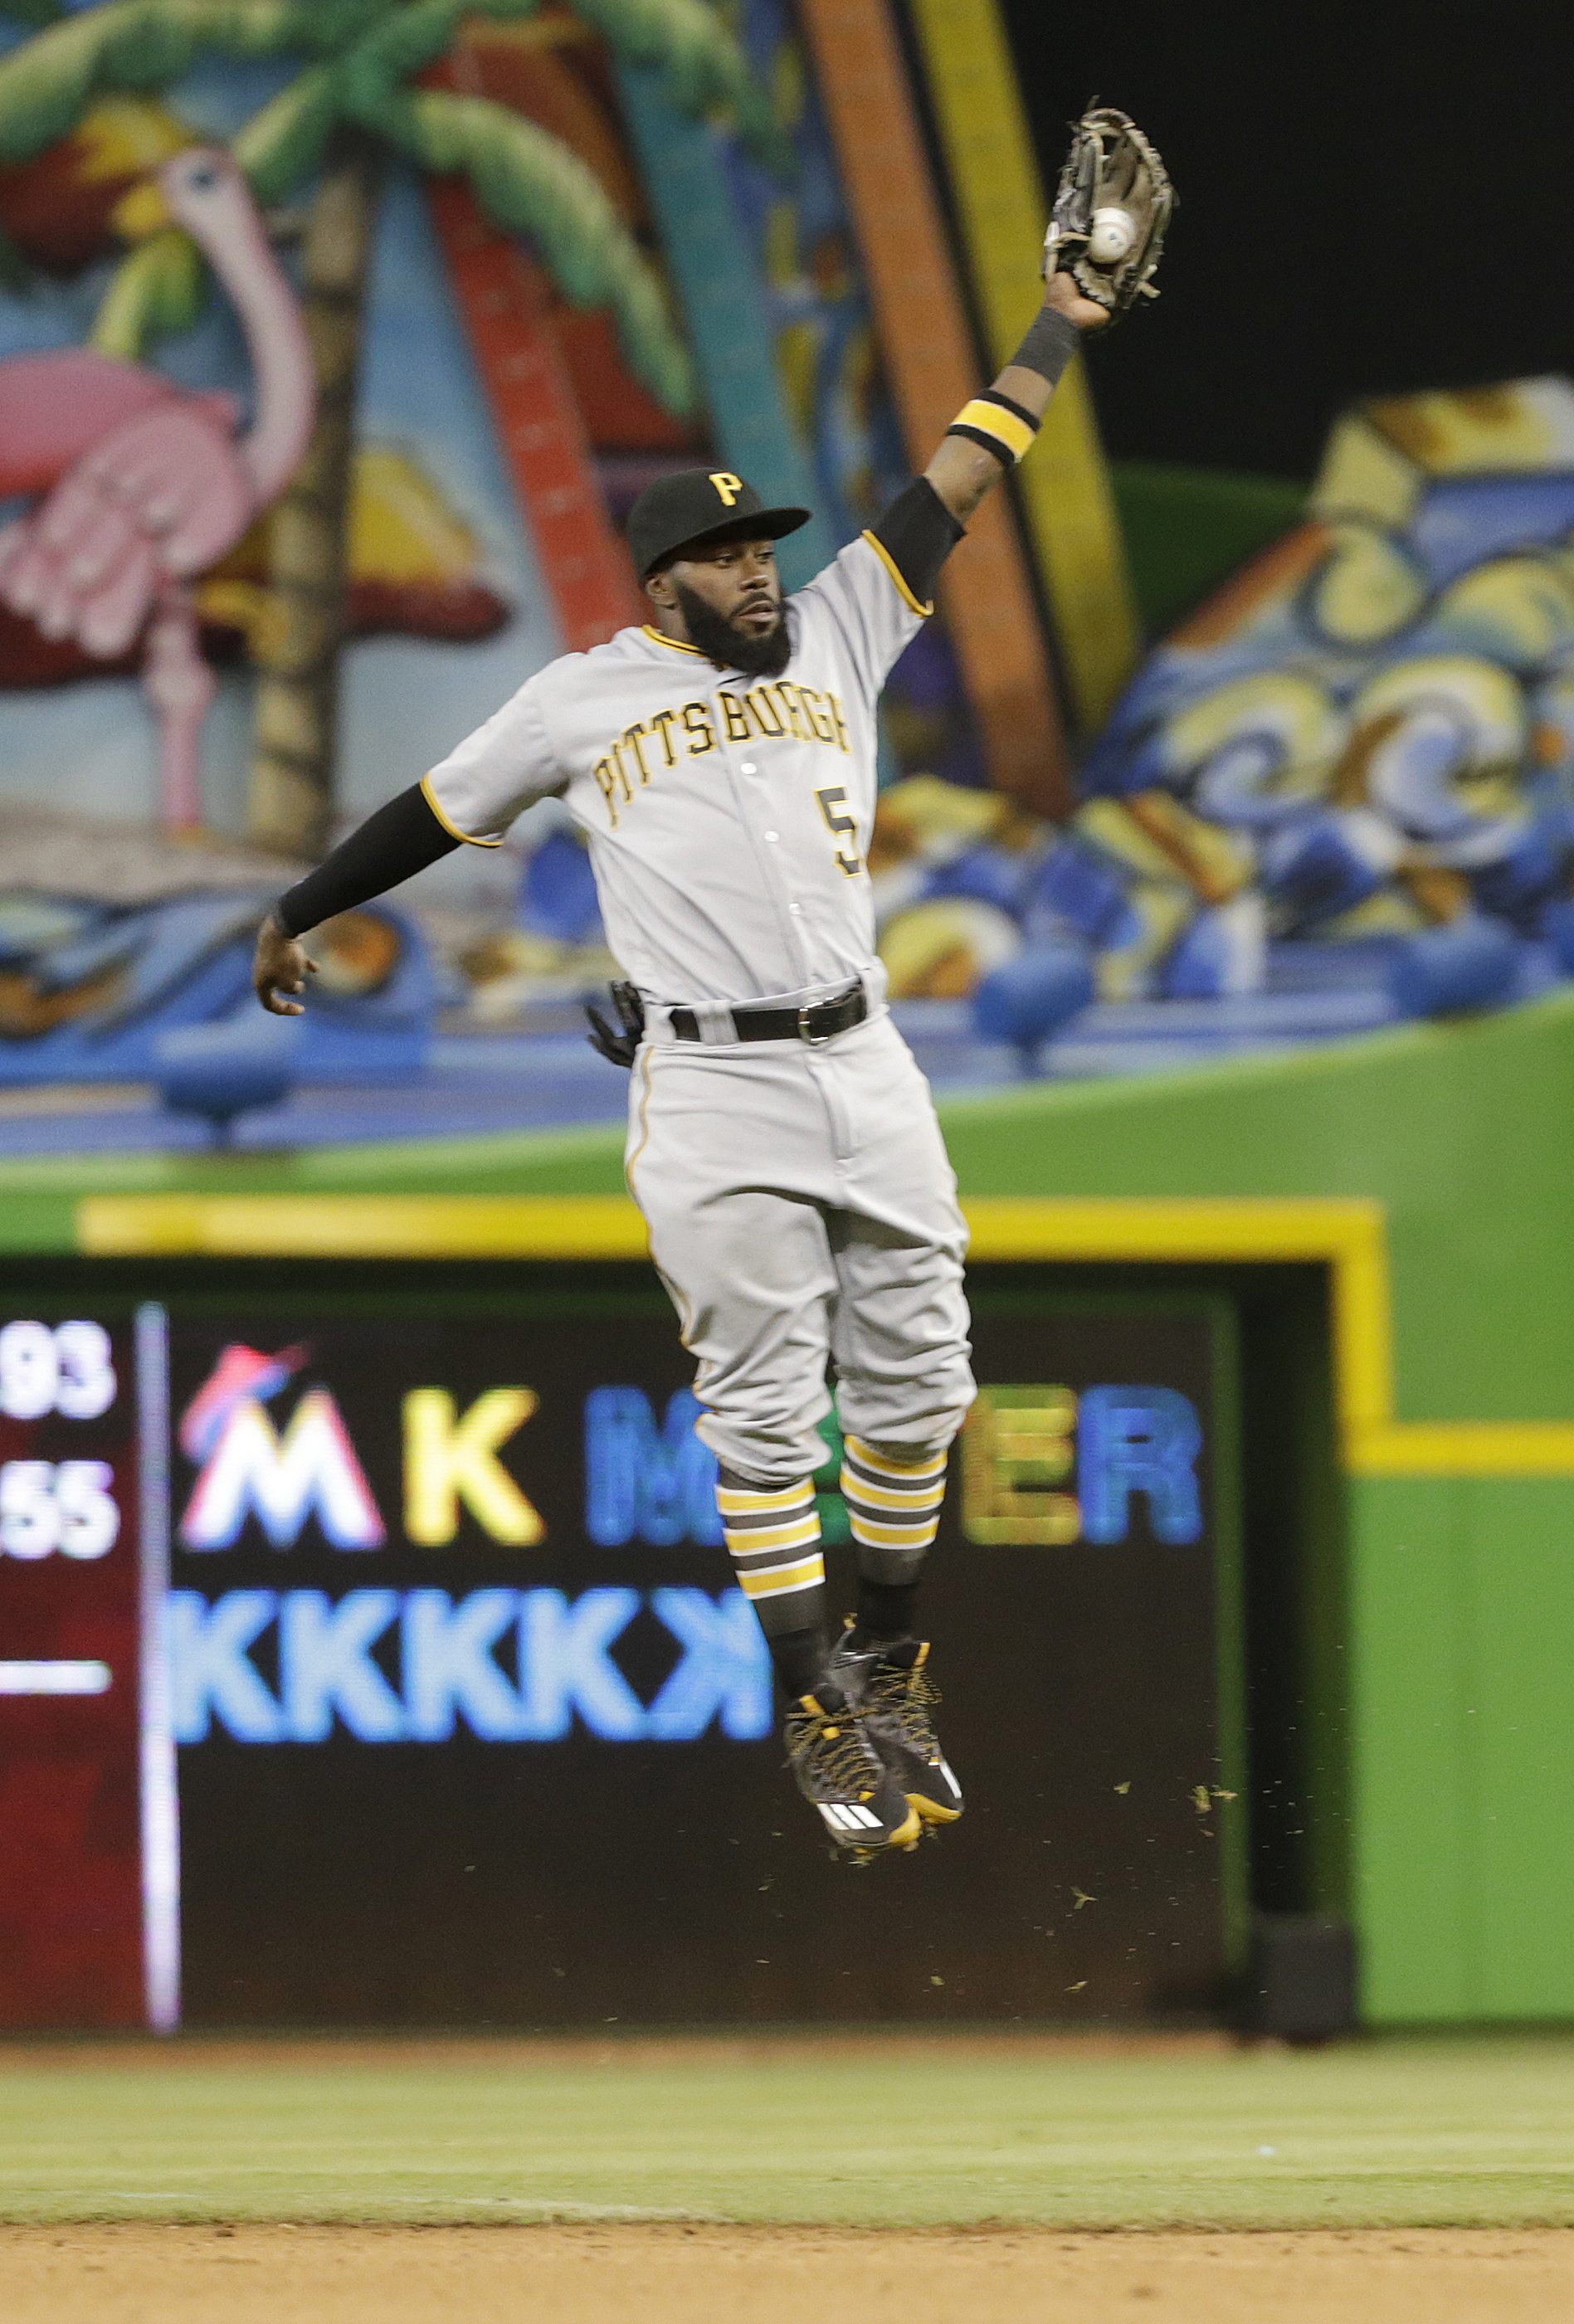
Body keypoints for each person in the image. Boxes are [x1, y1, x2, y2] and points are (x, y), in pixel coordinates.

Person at [255, 268, 1112, 1856]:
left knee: (926, 1385)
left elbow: (965, 466)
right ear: (663, 587)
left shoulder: (841, 623)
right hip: (710, 1086)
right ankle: (807, 1700)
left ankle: (891, 1660)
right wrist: (298, 910)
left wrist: (1062, 319)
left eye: (761, 545)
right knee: (766, 1415)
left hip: (865, 1060)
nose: (756, 570)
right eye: (722, 556)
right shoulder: (580, 699)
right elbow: (433, 815)